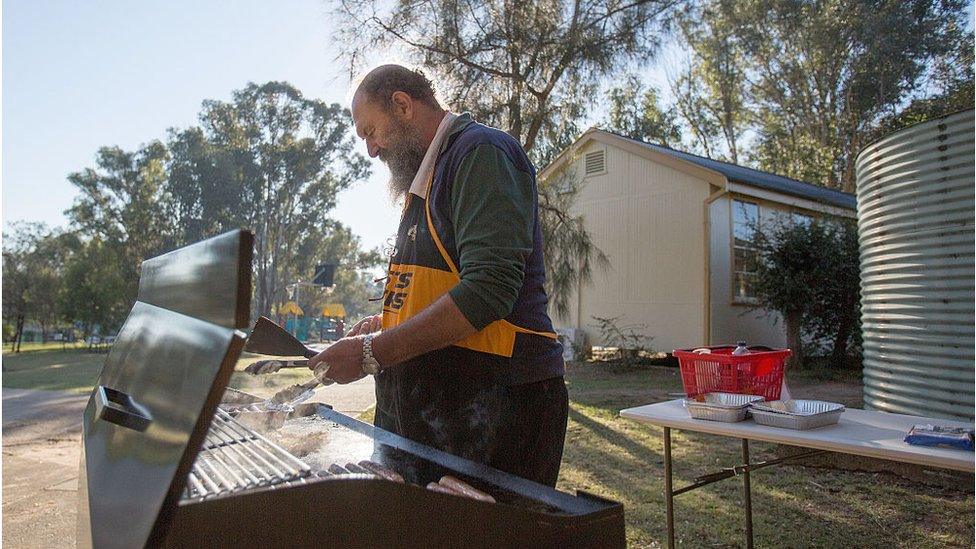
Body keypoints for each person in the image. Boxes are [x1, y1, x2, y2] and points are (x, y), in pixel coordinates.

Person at [307, 64, 568, 487]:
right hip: (430, 418)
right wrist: (384, 323)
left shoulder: (481, 153)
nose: (371, 150)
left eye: (371, 131)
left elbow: (489, 289)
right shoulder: (423, 185)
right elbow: (440, 286)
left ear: (402, 105)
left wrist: (373, 352)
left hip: (493, 414)